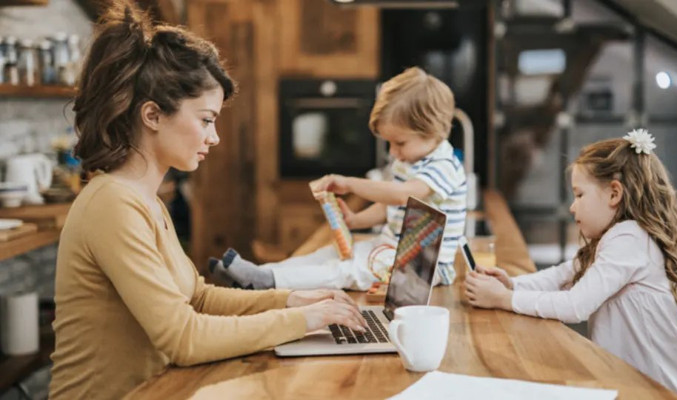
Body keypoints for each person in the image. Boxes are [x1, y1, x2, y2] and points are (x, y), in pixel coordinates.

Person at [49, 3, 368, 399]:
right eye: (205, 119)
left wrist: (291, 300)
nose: (214, 137)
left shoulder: (142, 198)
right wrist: (305, 319)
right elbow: (183, 337)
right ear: (152, 115)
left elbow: (196, 297)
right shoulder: (111, 205)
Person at [464, 130, 677, 399]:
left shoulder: (629, 237)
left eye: (579, 195)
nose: (572, 207)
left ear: (614, 194)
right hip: (636, 388)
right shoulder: (615, 238)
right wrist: (511, 284)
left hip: (668, 394)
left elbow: (575, 305)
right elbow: (564, 274)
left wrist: (505, 299)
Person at [215, 67, 467, 291]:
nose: (392, 152)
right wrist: (357, 220)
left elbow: (402, 195)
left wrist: (350, 183)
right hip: (390, 249)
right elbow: (393, 206)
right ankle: (265, 274)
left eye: (399, 142)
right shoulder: (407, 160)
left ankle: (269, 281)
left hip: (423, 269)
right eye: (388, 143)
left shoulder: (443, 166)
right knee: (328, 255)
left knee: (345, 272)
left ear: (433, 131)